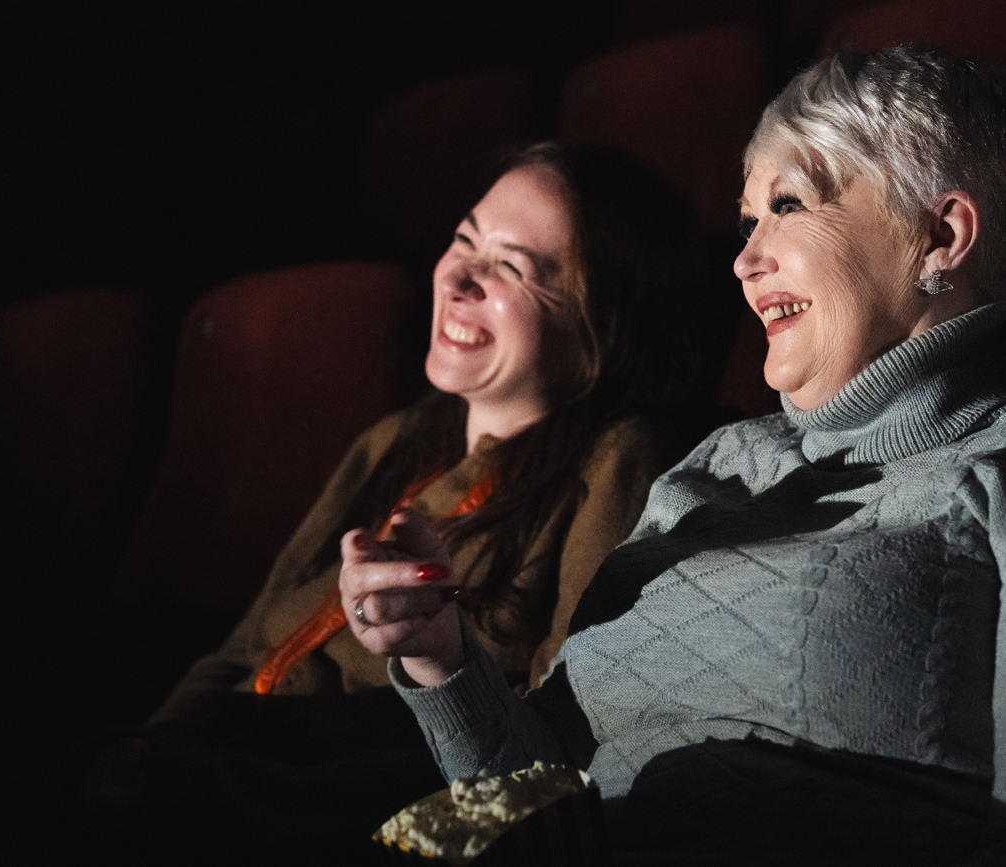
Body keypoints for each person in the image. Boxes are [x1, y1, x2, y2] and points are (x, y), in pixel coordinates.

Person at [345, 46, 1006, 863]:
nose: (744, 260)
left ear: (940, 235)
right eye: (748, 221)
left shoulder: (988, 471)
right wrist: (441, 656)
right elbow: (536, 790)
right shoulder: (721, 464)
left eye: (789, 205)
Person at [83, 142, 715, 863]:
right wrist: (148, 748)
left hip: (329, 813)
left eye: (512, 268)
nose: (459, 277)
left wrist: (214, 792)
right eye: (465, 240)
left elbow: (558, 746)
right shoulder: (394, 440)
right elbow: (241, 649)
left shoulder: (622, 458)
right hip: (211, 771)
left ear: (603, 324)